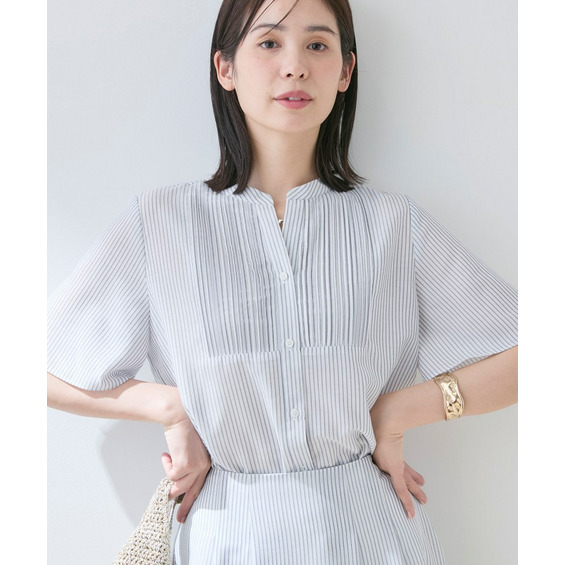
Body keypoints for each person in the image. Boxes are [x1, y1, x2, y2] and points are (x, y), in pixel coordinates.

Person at [47, 0, 518, 563]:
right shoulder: (159, 224)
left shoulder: (393, 223)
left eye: (317, 45)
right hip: (228, 538)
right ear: (225, 67)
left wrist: (400, 412)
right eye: (269, 43)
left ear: (345, 71)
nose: (295, 65)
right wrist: (170, 407)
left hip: (372, 536)